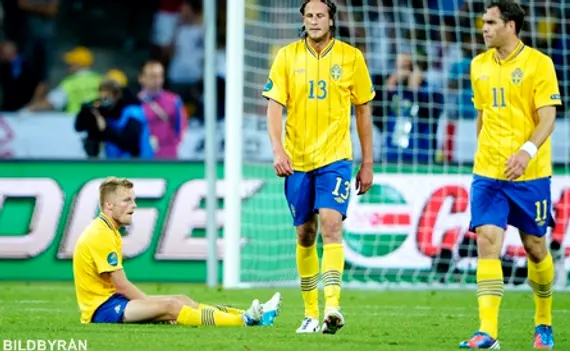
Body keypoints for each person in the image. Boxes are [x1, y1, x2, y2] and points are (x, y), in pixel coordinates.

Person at [262, 0, 375, 335]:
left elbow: (363, 111)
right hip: (297, 160)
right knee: (305, 233)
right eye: (309, 16)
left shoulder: (351, 58)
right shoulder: (286, 56)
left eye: (320, 15)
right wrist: (278, 150)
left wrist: (367, 162)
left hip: (335, 159)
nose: (314, 21)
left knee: (330, 225)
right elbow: (273, 108)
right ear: (303, 20)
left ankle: (333, 308)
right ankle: (310, 313)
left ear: (331, 20)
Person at [460, 1, 561, 349]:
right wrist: (481, 153)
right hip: (488, 172)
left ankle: (543, 322)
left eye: (490, 22)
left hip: (530, 174)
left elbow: (547, 116)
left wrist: (525, 152)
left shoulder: (539, 64)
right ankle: (488, 331)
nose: (484, 28)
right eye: (483, 22)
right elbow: (482, 114)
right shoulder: (478, 66)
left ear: (511, 26)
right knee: (487, 242)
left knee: (535, 248)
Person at [72, 177, 282, 326]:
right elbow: (121, 284)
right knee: (171, 306)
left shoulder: (109, 230)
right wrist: (152, 305)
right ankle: (243, 321)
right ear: (108, 205)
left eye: (133, 200)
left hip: (114, 301)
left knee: (182, 300)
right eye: (127, 200)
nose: (134, 206)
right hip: (102, 310)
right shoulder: (100, 234)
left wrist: (151, 306)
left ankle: (253, 314)